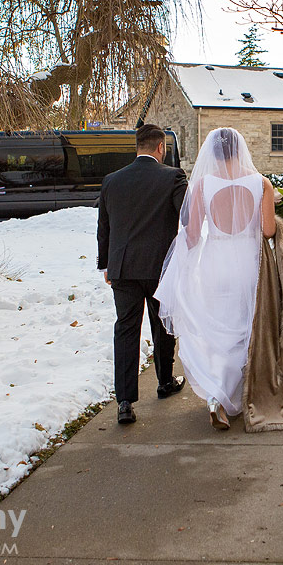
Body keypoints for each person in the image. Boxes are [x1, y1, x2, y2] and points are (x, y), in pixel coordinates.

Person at [155, 127, 276, 429]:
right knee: (243, 331)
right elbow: (269, 230)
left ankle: (215, 396)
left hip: (215, 264)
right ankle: (231, 394)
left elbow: (193, 233)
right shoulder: (261, 184)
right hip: (248, 264)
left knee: (218, 333)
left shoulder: (202, 185)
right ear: (240, 149)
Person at [96, 124, 188, 425]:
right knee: (162, 324)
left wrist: (106, 265)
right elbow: (187, 216)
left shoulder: (111, 180)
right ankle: (164, 381)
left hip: (122, 267)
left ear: (137, 147)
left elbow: (104, 227)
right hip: (160, 266)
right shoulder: (172, 177)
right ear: (161, 148)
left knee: (125, 329)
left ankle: (124, 402)